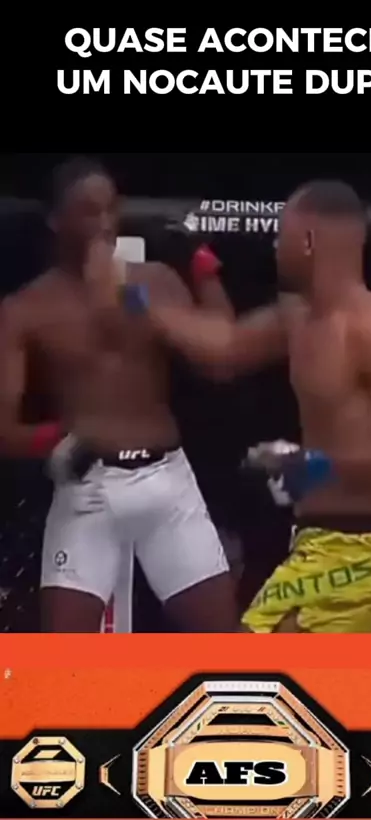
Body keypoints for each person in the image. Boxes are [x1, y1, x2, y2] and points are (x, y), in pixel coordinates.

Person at [140, 180, 371, 632]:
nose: (274, 245)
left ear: (307, 241)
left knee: (245, 674)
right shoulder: (298, 317)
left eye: (281, 233)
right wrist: (153, 292)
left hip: (363, 553)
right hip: (342, 545)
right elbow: (225, 350)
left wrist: (319, 467)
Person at [0, 157, 238, 632]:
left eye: (110, 208)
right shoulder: (27, 309)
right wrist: (54, 441)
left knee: (223, 646)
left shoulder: (152, 281)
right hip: (89, 491)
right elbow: (3, 428)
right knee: (62, 661)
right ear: (56, 220)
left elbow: (223, 357)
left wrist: (202, 265)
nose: (104, 223)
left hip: (167, 485)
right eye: (89, 211)